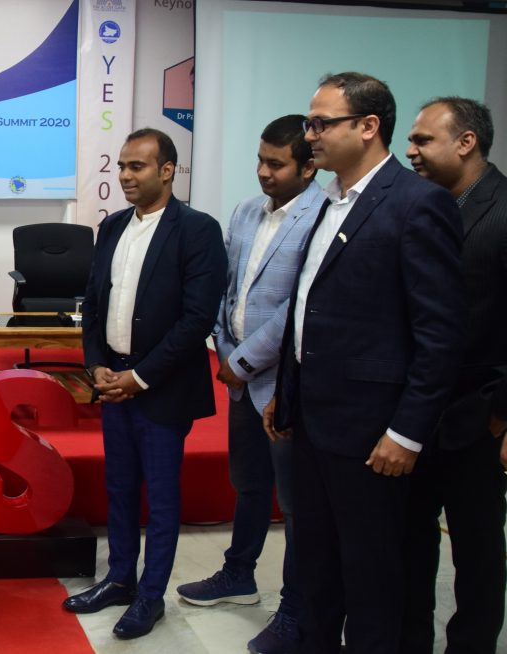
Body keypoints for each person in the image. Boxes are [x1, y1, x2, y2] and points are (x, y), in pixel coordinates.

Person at [264, 72, 465, 653]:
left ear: (368, 126)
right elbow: (310, 307)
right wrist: (287, 393)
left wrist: (406, 433)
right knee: (317, 574)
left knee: (374, 583)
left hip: (375, 439)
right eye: (309, 123)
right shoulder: (329, 202)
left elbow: (440, 335)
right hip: (314, 426)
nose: (310, 135)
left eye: (321, 123)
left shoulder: (417, 204)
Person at [62, 128, 227, 639]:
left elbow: (197, 319)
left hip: (162, 387)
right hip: (113, 379)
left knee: (160, 494)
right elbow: (93, 302)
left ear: (167, 170)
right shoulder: (112, 226)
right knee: (119, 487)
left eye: (137, 166)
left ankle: (150, 596)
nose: (125, 176)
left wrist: (140, 376)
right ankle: (119, 580)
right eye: (122, 166)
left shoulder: (197, 230)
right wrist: (96, 365)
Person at [176, 114, 324, 654]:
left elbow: (301, 305)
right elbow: (226, 288)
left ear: (308, 168)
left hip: (284, 382)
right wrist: (224, 349)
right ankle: (238, 573)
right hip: (238, 375)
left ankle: (296, 610)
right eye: (260, 160)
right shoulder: (243, 212)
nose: (263, 172)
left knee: (295, 503)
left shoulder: (320, 217)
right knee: (249, 484)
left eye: (276, 164)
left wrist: (245, 360)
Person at [401, 96, 506, 654]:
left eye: (423, 140)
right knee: (410, 545)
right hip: (417, 413)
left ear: (466, 143)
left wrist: (503, 415)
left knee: (478, 552)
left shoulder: (502, 208)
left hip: (479, 415)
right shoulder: (423, 207)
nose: (410, 150)